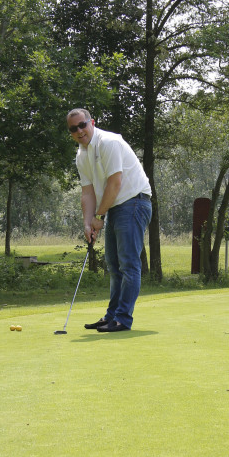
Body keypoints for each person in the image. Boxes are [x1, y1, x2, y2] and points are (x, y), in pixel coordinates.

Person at [67, 108, 152, 332]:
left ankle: (123, 319)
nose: (79, 131)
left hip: (134, 202)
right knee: (113, 266)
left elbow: (115, 183)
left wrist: (99, 216)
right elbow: (88, 192)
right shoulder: (81, 155)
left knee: (128, 265)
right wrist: (88, 223)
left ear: (91, 122)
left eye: (82, 125)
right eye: (73, 129)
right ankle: (111, 316)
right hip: (115, 206)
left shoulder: (109, 142)